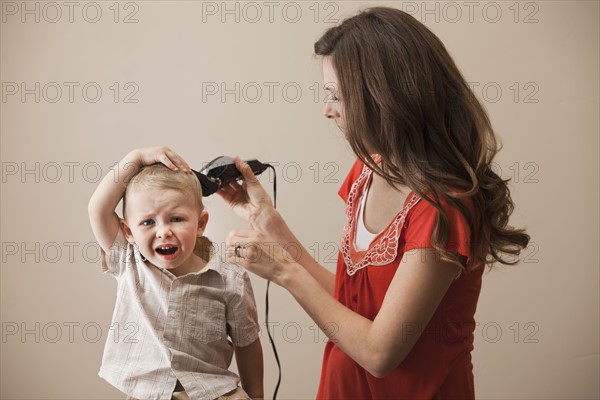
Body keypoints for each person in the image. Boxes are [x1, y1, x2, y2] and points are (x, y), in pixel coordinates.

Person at [218, 7, 530, 399]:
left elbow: (380, 351)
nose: (327, 110)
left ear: (385, 98)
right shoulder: (368, 172)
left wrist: (283, 271)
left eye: (336, 95)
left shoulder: (443, 209)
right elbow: (351, 306)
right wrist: (269, 224)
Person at [88, 147, 264, 400]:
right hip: (148, 394)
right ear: (128, 231)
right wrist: (136, 157)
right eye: (148, 222)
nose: (163, 232)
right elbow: (98, 209)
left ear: (200, 224)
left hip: (215, 393)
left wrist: (256, 395)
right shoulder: (129, 261)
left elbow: (246, 342)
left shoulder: (229, 279)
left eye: (176, 219)